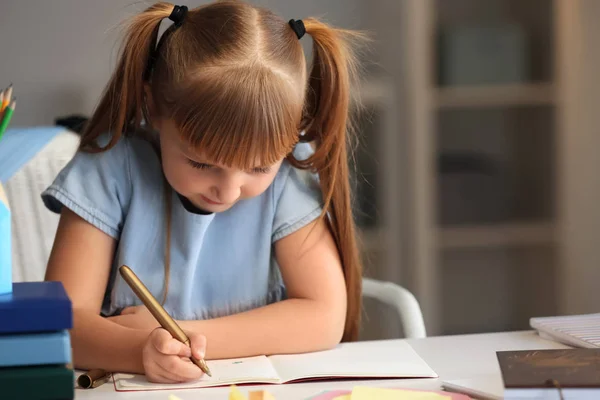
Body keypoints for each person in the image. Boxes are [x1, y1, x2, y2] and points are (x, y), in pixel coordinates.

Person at [43, 0, 366, 383]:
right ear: (154, 107)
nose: (228, 191)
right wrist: (142, 352)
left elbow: (324, 316)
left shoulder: (291, 171)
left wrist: (177, 335)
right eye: (201, 163)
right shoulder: (109, 168)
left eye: (259, 167)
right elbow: (61, 323)